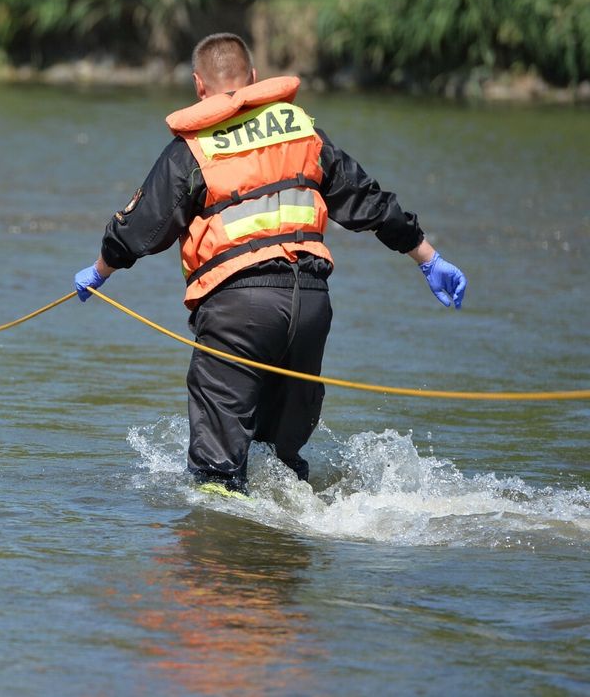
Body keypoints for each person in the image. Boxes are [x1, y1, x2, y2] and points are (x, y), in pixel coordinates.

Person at [73, 33, 467, 493]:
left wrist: (99, 272)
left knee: (216, 480)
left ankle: (220, 556)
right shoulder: (303, 133)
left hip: (239, 312)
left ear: (200, 87)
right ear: (255, 79)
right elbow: (368, 202)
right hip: (311, 308)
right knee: (280, 469)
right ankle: (282, 557)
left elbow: (140, 228)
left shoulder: (194, 149)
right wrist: (427, 256)